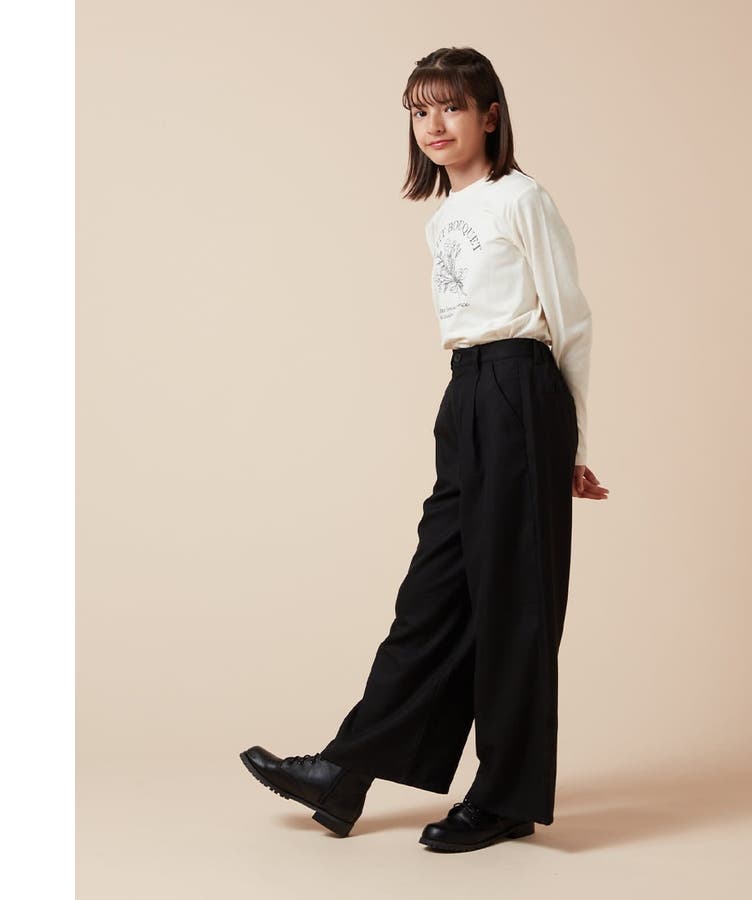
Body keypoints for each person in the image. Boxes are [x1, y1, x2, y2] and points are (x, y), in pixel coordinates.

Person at [240, 45, 608, 853]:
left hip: (520, 386)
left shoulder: (522, 199)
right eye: (418, 110)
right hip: (467, 391)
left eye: (450, 106)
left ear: (490, 115)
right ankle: (345, 772)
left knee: (514, 602)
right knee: (433, 596)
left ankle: (506, 797)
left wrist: (574, 442)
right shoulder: (443, 218)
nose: (433, 124)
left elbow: (570, 320)